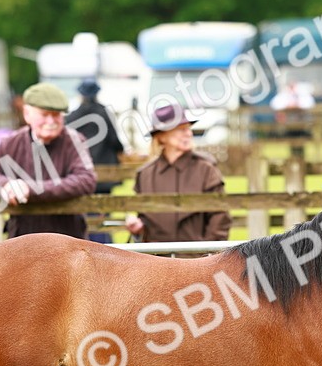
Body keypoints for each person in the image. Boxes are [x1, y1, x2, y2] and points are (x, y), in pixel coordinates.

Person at [0, 81, 96, 366]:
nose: (53, 121)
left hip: (70, 251)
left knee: (74, 325)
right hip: (22, 250)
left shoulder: (74, 141)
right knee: (24, 328)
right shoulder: (11, 144)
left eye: (58, 116)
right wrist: (3, 184)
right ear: (28, 114)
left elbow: (84, 180)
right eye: (46, 115)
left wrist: (33, 189)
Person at [125, 104, 231, 244]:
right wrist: (138, 227)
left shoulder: (206, 169)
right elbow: (145, 219)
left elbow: (220, 218)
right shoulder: (145, 174)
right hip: (156, 260)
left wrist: (207, 255)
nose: (188, 133)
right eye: (181, 129)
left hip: (197, 259)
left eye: (188, 128)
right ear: (162, 136)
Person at [66, 78, 126, 243]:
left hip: (80, 175)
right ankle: (104, 244)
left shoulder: (72, 117)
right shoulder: (103, 113)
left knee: (84, 212)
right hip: (103, 175)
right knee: (103, 212)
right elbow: (115, 141)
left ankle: (87, 242)